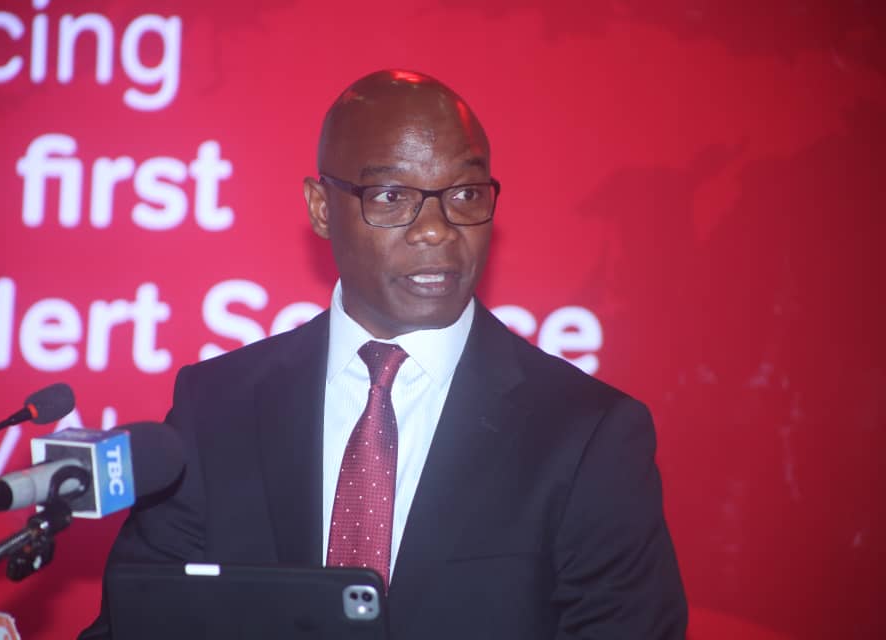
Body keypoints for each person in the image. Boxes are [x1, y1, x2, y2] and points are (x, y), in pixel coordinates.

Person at [80, 69, 687, 639]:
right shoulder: (216, 408)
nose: (437, 228)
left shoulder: (587, 435)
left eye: (466, 192)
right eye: (392, 195)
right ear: (322, 209)